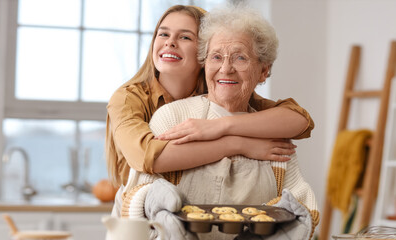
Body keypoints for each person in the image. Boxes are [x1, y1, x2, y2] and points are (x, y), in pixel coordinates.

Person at [121, 5, 319, 240]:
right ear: (205, 63)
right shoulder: (172, 117)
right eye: (216, 57)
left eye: (240, 58)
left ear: (264, 70)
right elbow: (136, 196)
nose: (226, 69)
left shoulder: (273, 129)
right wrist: (160, 212)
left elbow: (302, 203)